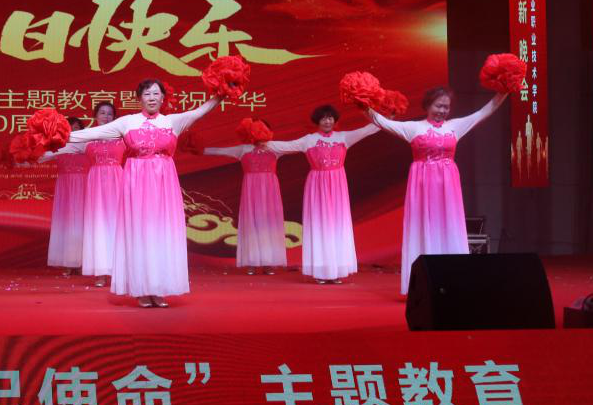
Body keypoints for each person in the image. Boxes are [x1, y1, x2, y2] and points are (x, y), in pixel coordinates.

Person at [57, 80, 220, 307]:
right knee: (139, 234)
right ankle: (141, 289)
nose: (152, 98)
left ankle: (159, 288)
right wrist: (55, 134)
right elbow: (89, 134)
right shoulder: (127, 122)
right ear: (139, 98)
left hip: (164, 183)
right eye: (147, 94)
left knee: (162, 234)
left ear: (163, 98)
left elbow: (201, 111)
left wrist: (222, 92)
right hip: (137, 183)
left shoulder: (172, 121)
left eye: (156, 93)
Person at [367, 87, 508, 294]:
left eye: (446, 107)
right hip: (422, 186)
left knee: (449, 226)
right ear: (427, 106)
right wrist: (364, 106)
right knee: (423, 227)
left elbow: (484, 112)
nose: (442, 110)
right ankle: (423, 282)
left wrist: (503, 92)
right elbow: (382, 122)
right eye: (438, 106)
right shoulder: (413, 128)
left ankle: (453, 279)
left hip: (448, 187)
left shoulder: (455, 126)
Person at [268, 105, 378, 284]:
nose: (328, 121)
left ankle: (337, 270)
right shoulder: (309, 140)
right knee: (320, 226)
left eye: (330, 118)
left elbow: (368, 130)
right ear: (317, 121)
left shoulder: (343, 138)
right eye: (324, 118)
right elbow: (284, 146)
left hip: (337, 185)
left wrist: (384, 118)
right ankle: (320, 271)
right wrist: (262, 141)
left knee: (337, 226)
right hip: (317, 185)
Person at [203, 121, 287, 274]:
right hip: (251, 191)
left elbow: (297, 145)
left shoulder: (275, 147)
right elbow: (220, 151)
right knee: (251, 223)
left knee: (269, 223)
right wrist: (198, 149)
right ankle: (251, 261)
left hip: (269, 191)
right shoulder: (243, 149)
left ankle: (269, 262)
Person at [41, 117, 91, 276]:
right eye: (70, 128)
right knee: (67, 225)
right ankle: (67, 262)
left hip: (84, 186)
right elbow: (40, 158)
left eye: (77, 128)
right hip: (66, 188)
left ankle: (83, 262)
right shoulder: (57, 146)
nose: (73, 131)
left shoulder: (87, 144)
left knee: (84, 224)